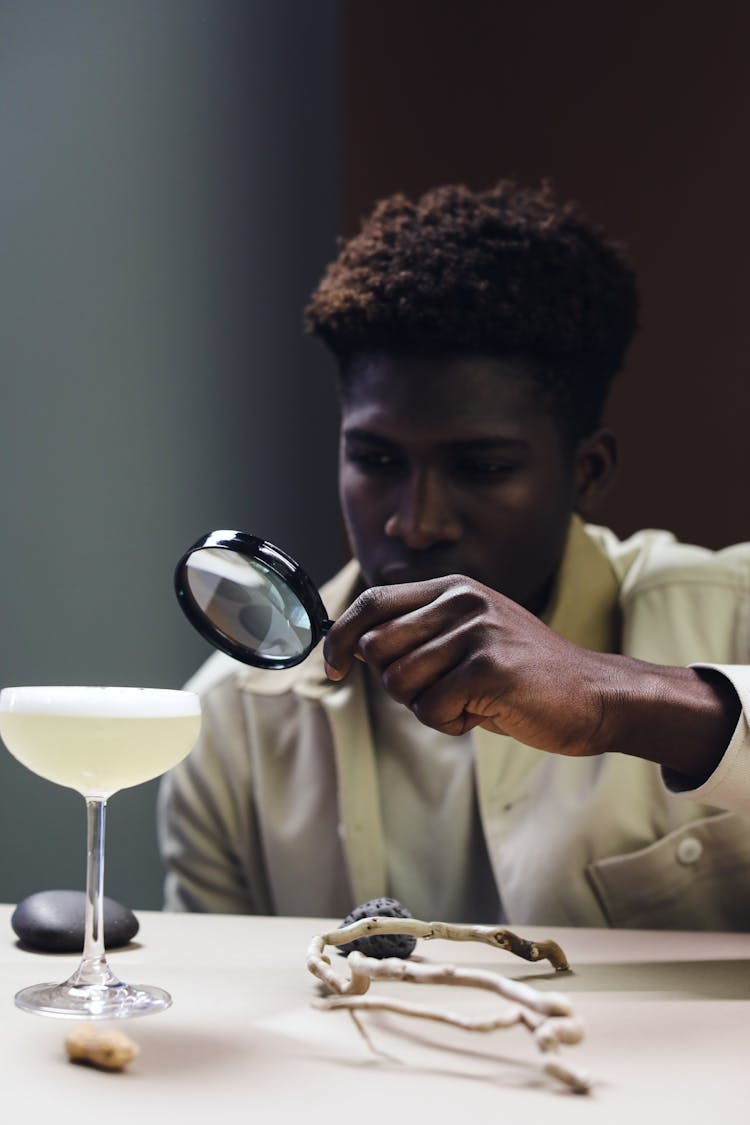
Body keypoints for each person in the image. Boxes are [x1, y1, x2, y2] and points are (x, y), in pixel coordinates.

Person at [159, 181, 750, 929]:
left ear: (587, 471)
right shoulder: (231, 723)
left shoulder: (731, 617)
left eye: (482, 467)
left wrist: (609, 701)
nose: (416, 521)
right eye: (375, 459)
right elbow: (228, 1005)